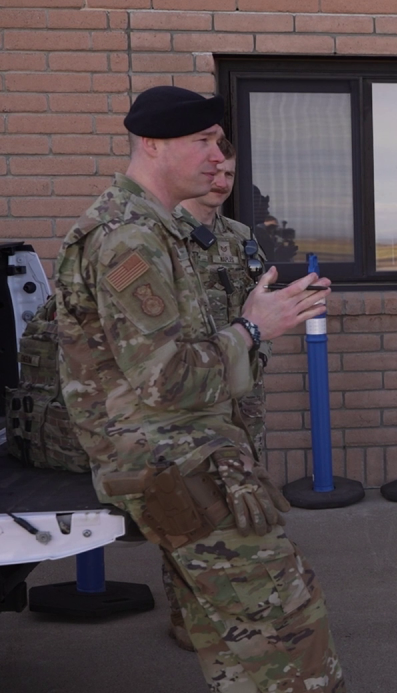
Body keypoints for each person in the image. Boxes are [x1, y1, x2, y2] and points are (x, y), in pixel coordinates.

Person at [53, 86, 352, 693]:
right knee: (288, 631)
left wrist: (252, 321)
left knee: (232, 641)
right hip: (176, 461)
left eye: (220, 141)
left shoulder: (165, 230)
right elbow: (166, 380)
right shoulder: (130, 238)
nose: (220, 155)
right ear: (152, 145)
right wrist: (253, 328)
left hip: (190, 455)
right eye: (204, 141)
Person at [157, 138, 272, 653]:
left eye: (229, 173)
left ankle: (239, 609)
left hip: (242, 395)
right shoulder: (163, 235)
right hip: (190, 396)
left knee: (247, 499)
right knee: (190, 508)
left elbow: (259, 305)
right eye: (214, 171)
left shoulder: (241, 237)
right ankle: (189, 617)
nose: (221, 181)